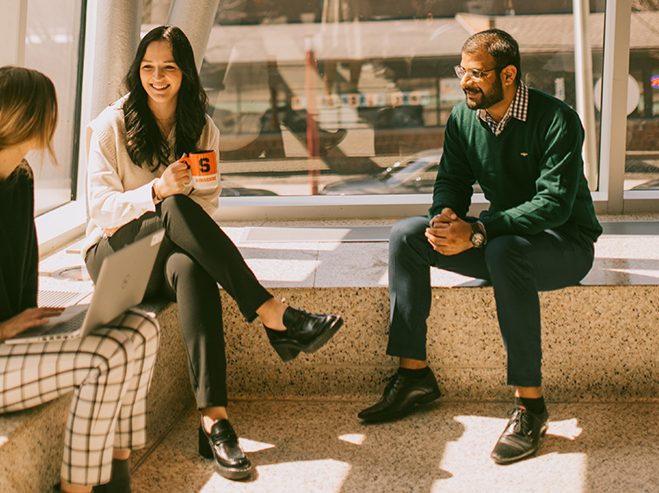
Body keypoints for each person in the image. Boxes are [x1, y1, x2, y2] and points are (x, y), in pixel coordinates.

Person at [83, 26, 344, 481]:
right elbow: (100, 211)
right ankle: (271, 312)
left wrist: (182, 194)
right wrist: (157, 191)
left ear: (185, 72)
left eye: (168, 67)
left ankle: (214, 421)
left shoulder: (201, 128)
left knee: (192, 266)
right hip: (112, 256)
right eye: (147, 67)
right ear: (136, 71)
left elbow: (205, 206)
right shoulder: (113, 124)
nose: (157, 77)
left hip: (164, 252)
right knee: (173, 205)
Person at [0, 66, 158, 493]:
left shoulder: (19, 178)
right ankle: (79, 490)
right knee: (105, 356)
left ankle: (116, 472)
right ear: (36, 123)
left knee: (143, 328)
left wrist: (30, 324)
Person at [357, 29, 602, 465]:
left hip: (564, 244)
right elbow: (451, 181)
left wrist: (480, 232)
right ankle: (414, 375)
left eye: (475, 73)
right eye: (461, 71)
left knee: (503, 251)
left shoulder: (557, 119)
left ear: (508, 74)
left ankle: (531, 407)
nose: (465, 82)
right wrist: (447, 219)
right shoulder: (463, 118)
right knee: (408, 235)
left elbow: (554, 206)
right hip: (500, 239)